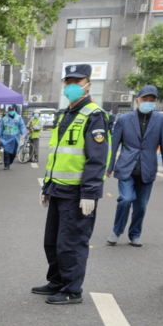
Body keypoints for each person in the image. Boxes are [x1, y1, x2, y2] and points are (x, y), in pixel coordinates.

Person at [32, 64, 110, 305]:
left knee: (72, 242)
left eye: (77, 81)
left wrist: (89, 193)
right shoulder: (66, 114)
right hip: (58, 190)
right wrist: (47, 186)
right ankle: (56, 282)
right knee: (52, 241)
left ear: (88, 84)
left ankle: (72, 289)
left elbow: (96, 159)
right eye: (68, 81)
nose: (71, 86)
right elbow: (58, 155)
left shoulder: (94, 115)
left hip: (78, 193)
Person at [107, 85, 163, 247]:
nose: (148, 102)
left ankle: (135, 234)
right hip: (126, 166)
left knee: (141, 206)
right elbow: (114, 144)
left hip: (147, 168)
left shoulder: (162, 120)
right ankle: (116, 231)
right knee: (125, 199)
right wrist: (109, 166)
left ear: (156, 102)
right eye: (145, 99)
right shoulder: (123, 119)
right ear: (137, 101)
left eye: (151, 100)